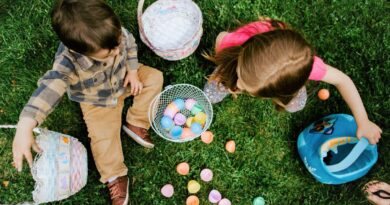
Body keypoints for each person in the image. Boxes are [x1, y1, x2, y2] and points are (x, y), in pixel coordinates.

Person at [11, 0, 163, 204]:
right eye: (109, 53)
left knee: (154, 78)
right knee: (103, 139)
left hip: (124, 79)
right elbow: (49, 88)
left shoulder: (113, 33)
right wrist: (25, 124)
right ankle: (114, 174)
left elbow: (130, 45)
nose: (117, 51)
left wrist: (133, 71)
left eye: (117, 44)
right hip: (96, 100)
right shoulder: (68, 63)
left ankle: (136, 122)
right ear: (79, 51)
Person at [203, 18, 381, 144]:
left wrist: (363, 121)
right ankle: (232, 74)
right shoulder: (237, 43)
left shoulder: (309, 67)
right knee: (217, 87)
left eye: (246, 88)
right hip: (239, 57)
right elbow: (221, 38)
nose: (239, 87)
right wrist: (230, 68)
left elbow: (343, 80)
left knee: (295, 105)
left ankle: (283, 89)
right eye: (242, 77)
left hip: (286, 80)